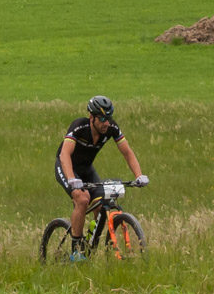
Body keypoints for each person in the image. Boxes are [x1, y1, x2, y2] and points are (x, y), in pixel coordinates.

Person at [55, 95, 147, 260]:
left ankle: (91, 238)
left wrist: (139, 175)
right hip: (67, 167)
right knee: (82, 199)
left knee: (100, 202)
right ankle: (76, 249)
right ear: (92, 117)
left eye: (108, 118)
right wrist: (71, 179)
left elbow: (127, 152)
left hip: (86, 169)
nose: (106, 123)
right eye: (102, 118)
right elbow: (64, 154)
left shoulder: (111, 128)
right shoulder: (79, 126)